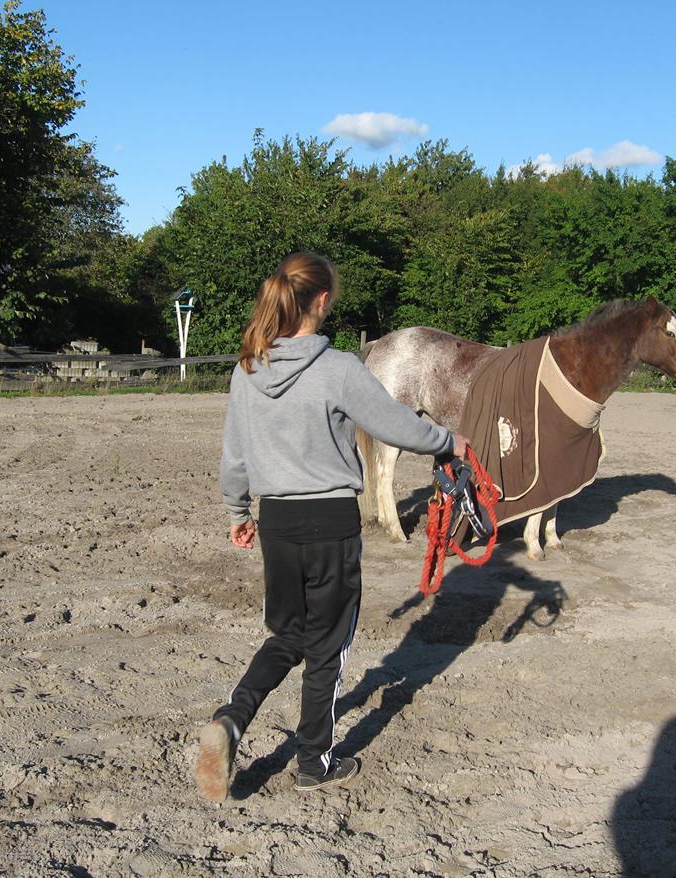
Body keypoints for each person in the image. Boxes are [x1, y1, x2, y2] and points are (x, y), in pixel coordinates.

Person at [195, 251, 469, 802]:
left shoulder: (248, 369)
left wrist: (237, 512)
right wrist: (450, 442)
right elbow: (395, 422)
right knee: (328, 645)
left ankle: (232, 718)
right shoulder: (341, 368)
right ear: (321, 302)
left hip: (276, 522)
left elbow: (235, 455)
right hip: (330, 522)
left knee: (288, 635)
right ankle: (314, 761)